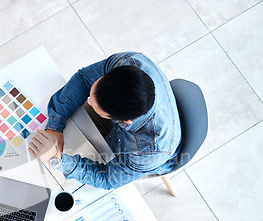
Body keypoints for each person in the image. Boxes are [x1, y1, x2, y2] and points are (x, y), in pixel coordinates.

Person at [28, 52, 182, 190]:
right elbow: (83, 80)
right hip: (122, 133)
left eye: (97, 107)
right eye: (94, 90)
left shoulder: (150, 151)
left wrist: (56, 159)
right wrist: (55, 125)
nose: (88, 101)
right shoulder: (128, 62)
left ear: (124, 121)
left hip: (135, 157)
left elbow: (107, 178)